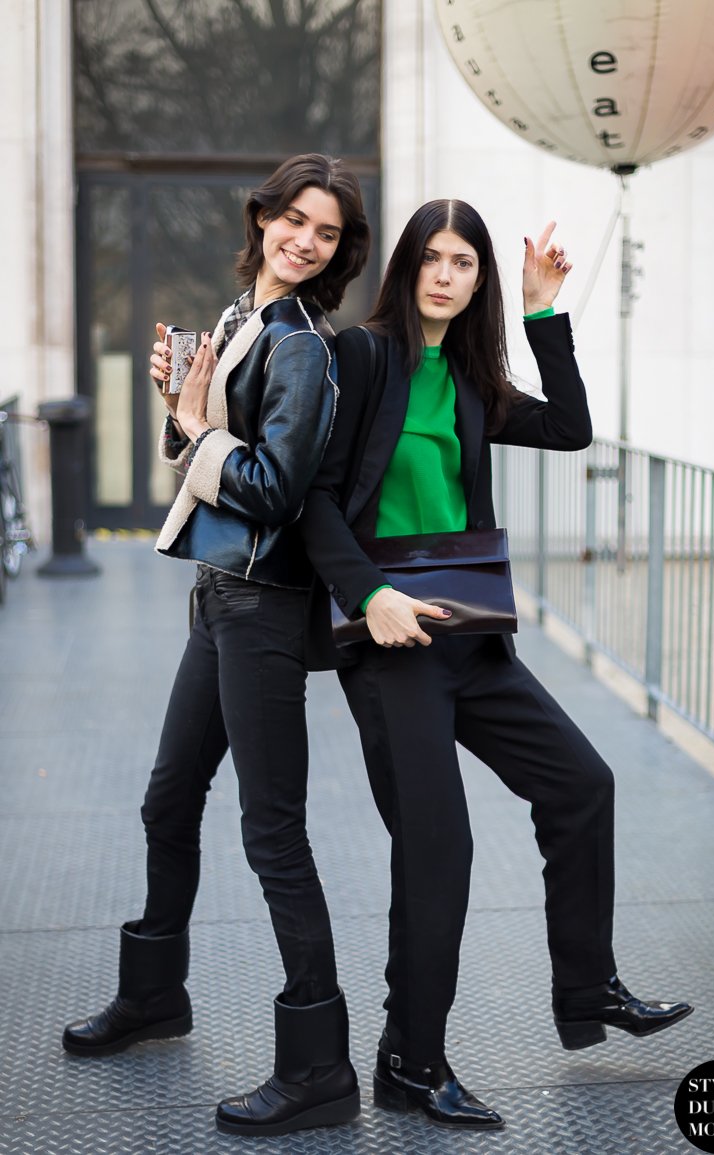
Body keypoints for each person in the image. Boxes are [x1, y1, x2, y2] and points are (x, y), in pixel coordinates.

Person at [299, 200, 693, 1131]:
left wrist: (543, 313)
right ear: (407, 266)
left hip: (474, 636)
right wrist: (367, 594)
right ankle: (411, 1054)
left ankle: (587, 984)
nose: (445, 274)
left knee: (581, 784)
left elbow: (571, 431)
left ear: (480, 278)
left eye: (464, 262)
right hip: (394, 645)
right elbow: (315, 498)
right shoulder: (362, 356)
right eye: (432, 258)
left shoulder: (474, 376)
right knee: (441, 849)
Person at [61, 153, 371, 1140]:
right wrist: (180, 414)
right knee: (167, 798)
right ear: (264, 216)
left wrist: (195, 429)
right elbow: (208, 451)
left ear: (336, 249)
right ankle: (156, 994)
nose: (304, 240)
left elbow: (273, 490)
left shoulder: (304, 346)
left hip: (267, 610)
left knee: (272, 834)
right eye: (293, 219)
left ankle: (319, 1065)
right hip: (221, 600)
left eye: (324, 232)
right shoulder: (243, 318)